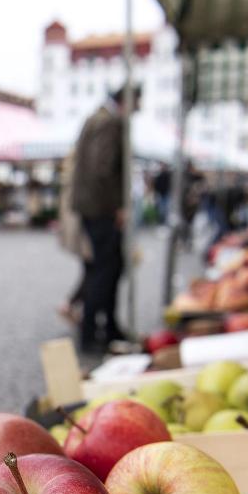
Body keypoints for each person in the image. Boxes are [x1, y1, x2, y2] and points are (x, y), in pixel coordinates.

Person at [71, 84, 139, 351]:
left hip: (93, 207)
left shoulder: (96, 118)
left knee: (105, 268)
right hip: (102, 209)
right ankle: (93, 332)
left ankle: (106, 327)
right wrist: (118, 207)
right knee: (105, 271)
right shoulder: (110, 122)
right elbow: (103, 167)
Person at [56, 149, 90, 324]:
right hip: (84, 231)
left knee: (89, 271)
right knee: (91, 271)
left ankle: (72, 305)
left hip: (78, 230)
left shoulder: (71, 174)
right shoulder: (79, 178)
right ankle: (70, 304)